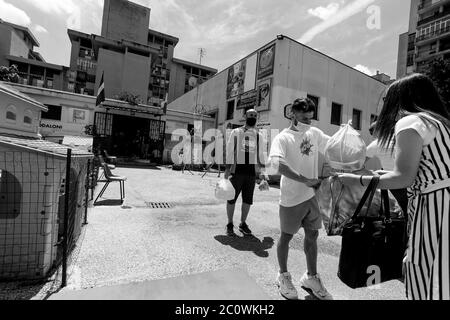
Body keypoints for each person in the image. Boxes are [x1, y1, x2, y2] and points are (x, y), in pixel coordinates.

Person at [337, 73, 450, 300]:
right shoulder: (440, 124)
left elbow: (403, 178)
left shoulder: (409, 122)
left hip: (434, 207)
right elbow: (427, 170)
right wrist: (387, 174)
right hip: (442, 200)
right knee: (442, 273)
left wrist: (355, 179)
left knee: (423, 271)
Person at [269, 98, 332, 300]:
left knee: (312, 237)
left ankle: (311, 277)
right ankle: (283, 275)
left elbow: (333, 145)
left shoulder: (314, 133)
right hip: (292, 197)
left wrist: (349, 139)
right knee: (286, 237)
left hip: (313, 196)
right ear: (293, 114)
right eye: (304, 118)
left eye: (311, 118)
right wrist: (304, 180)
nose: (308, 122)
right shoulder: (283, 138)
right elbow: (277, 164)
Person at [225, 109, 268, 237]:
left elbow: (261, 154)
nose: (252, 117)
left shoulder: (259, 135)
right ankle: (230, 224)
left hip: (250, 173)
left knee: (248, 200)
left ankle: (243, 223)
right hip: (236, 171)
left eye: (255, 116)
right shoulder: (236, 132)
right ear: (245, 116)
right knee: (231, 199)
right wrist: (227, 169)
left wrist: (263, 172)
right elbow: (229, 150)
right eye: (250, 115)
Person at [366, 121, 408, 215]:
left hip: (391, 187)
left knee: (393, 219)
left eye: (372, 134)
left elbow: (359, 162)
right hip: (408, 183)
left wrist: (372, 173)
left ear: (377, 132)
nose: (373, 137)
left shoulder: (377, 143)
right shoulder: (401, 139)